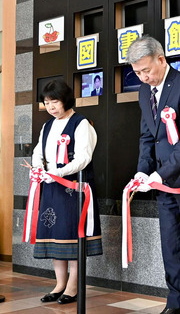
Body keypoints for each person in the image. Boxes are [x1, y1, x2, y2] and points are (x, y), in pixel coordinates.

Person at [126, 35, 180, 314]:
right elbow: (147, 136)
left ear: (161, 59)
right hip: (161, 183)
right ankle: (175, 302)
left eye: (147, 70)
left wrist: (161, 174)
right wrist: (143, 172)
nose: (143, 77)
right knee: (171, 246)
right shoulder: (144, 92)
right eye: (137, 73)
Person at [31, 79, 102, 305]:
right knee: (54, 238)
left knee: (72, 238)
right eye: (46, 103)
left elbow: (83, 158)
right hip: (51, 188)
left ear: (66, 100)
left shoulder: (82, 123)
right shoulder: (48, 125)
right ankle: (59, 284)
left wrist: (57, 172)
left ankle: (73, 286)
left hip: (74, 189)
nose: (50, 107)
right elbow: (37, 152)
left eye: (55, 102)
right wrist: (39, 169)